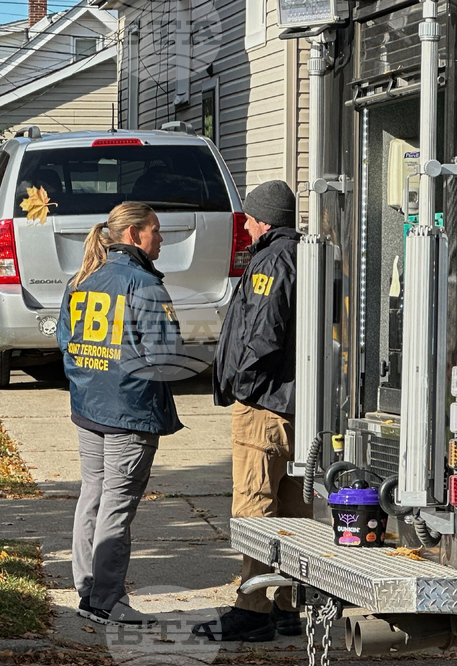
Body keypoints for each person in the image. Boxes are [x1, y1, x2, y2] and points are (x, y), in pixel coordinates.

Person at [57, 201, 184, 629]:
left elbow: (65, 342)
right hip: (130, 412)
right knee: (115, 506)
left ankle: (88, 591)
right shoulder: (143, 283)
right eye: (155, 230)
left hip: (89, 407)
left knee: (93, 495)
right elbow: (167, 356)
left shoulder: (82, 279)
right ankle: (106, 602)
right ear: (133, 234)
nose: (160, 238)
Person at [193, 180, 308, 642]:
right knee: (294, 510)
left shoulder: (271, 261)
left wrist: (243, 386)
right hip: (301, 407)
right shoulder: (307, 255)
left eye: (248, 219)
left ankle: (253, 608)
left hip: (265, 406)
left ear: (262, 220)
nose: (244, 227)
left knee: (254, 506)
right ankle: (288, 604)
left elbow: (262, 334)